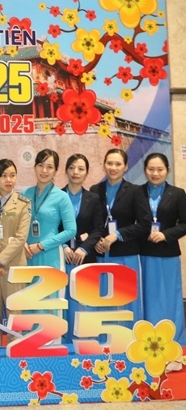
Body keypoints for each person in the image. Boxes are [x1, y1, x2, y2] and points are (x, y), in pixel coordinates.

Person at [92, 149, 151, 326]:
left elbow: (144, 223)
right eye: (109, 163)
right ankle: (104, 341)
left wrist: (116, 235)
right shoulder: (96, 190)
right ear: (103, 165)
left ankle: (129, 339)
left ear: (125, 167)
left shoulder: (135, 191)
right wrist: (98, 240)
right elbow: (92, 221)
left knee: (126, 299)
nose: (113, 168)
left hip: (126, 254)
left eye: (118, 164)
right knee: (103, 297)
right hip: (101, 253)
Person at [138, 153, 186, 363]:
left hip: (167, 255)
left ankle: (175, 348)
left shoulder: (177, 193)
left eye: (159, 169)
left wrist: (166, 234)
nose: (155, 173)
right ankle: (147, 347)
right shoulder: (137, 192)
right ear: (145, 170)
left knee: (170, 300)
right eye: (151, 169)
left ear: (167, 170)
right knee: (147, 299)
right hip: (142, 254)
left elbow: (185, 223)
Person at [21, 149, 76, 323]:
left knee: (49, 300)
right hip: (27, 255)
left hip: (50, 255)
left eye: (49, 167)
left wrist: (41, 245)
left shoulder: (62, 197)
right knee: (29, 299)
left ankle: (51, 344)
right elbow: (17, 225)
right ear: (35, 167)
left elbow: (70, 230)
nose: (44, 170)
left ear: (56, 170)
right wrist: (22, 243)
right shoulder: (25, 194)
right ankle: (29, 343)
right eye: (40, 165)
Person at [0, 159, 30, 347]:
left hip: (14, 266)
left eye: (12, 175)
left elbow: (20, 238)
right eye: (3, 176)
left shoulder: (24, 204)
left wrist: (0, 261)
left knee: (15, 315)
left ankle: (15, 351)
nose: (8, 180)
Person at [61, 154, 105, 343]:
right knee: (65, 303)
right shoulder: (56, 196)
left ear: (87, 172)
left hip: (85, 259)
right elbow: (51, 228)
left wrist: (84, 249)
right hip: (62, 258)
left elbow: (98, 229)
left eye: (80, 168)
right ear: (66, 171)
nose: (76, 172)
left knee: (85, 303)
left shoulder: (93, 198)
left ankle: (87, 344)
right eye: (72, 168)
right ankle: (65, 342)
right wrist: (62, 246)